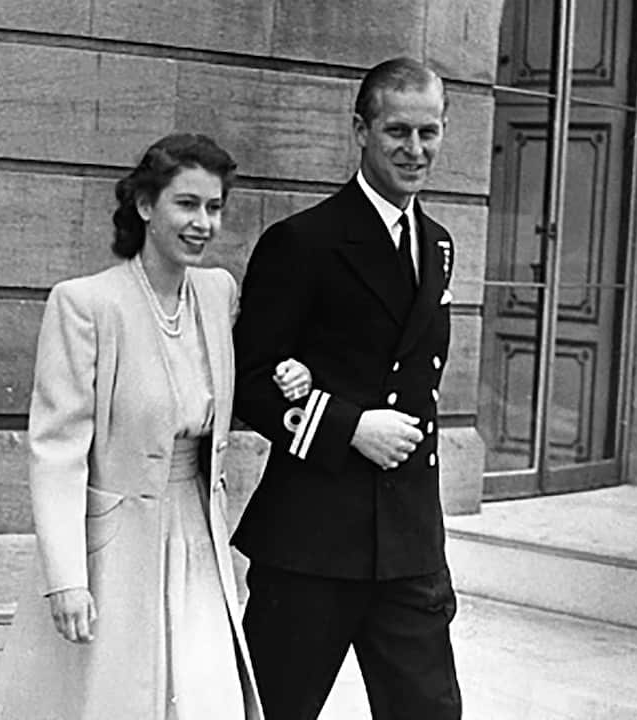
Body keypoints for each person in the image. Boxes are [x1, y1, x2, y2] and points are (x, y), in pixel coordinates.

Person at [0, 133, 308, 720]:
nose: (203, 223)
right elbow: (57, 452)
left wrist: (294, 374)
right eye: (186, 204)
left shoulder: (217, 292)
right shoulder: (86, 305)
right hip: (113, 549)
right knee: (116, 701)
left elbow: (233, 388)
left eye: (214, 207)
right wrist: (67, 578)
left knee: (205, 698)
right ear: (144, 206)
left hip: (198, 531)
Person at [231, 57, 462, 719]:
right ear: (360, 130)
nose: (414, 149)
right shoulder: (303, 242)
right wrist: (349, 427)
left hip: (408, 542)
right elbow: (250, 380)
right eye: (397, 131)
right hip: (313, 543)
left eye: (428, 132)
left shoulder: (438, 244)